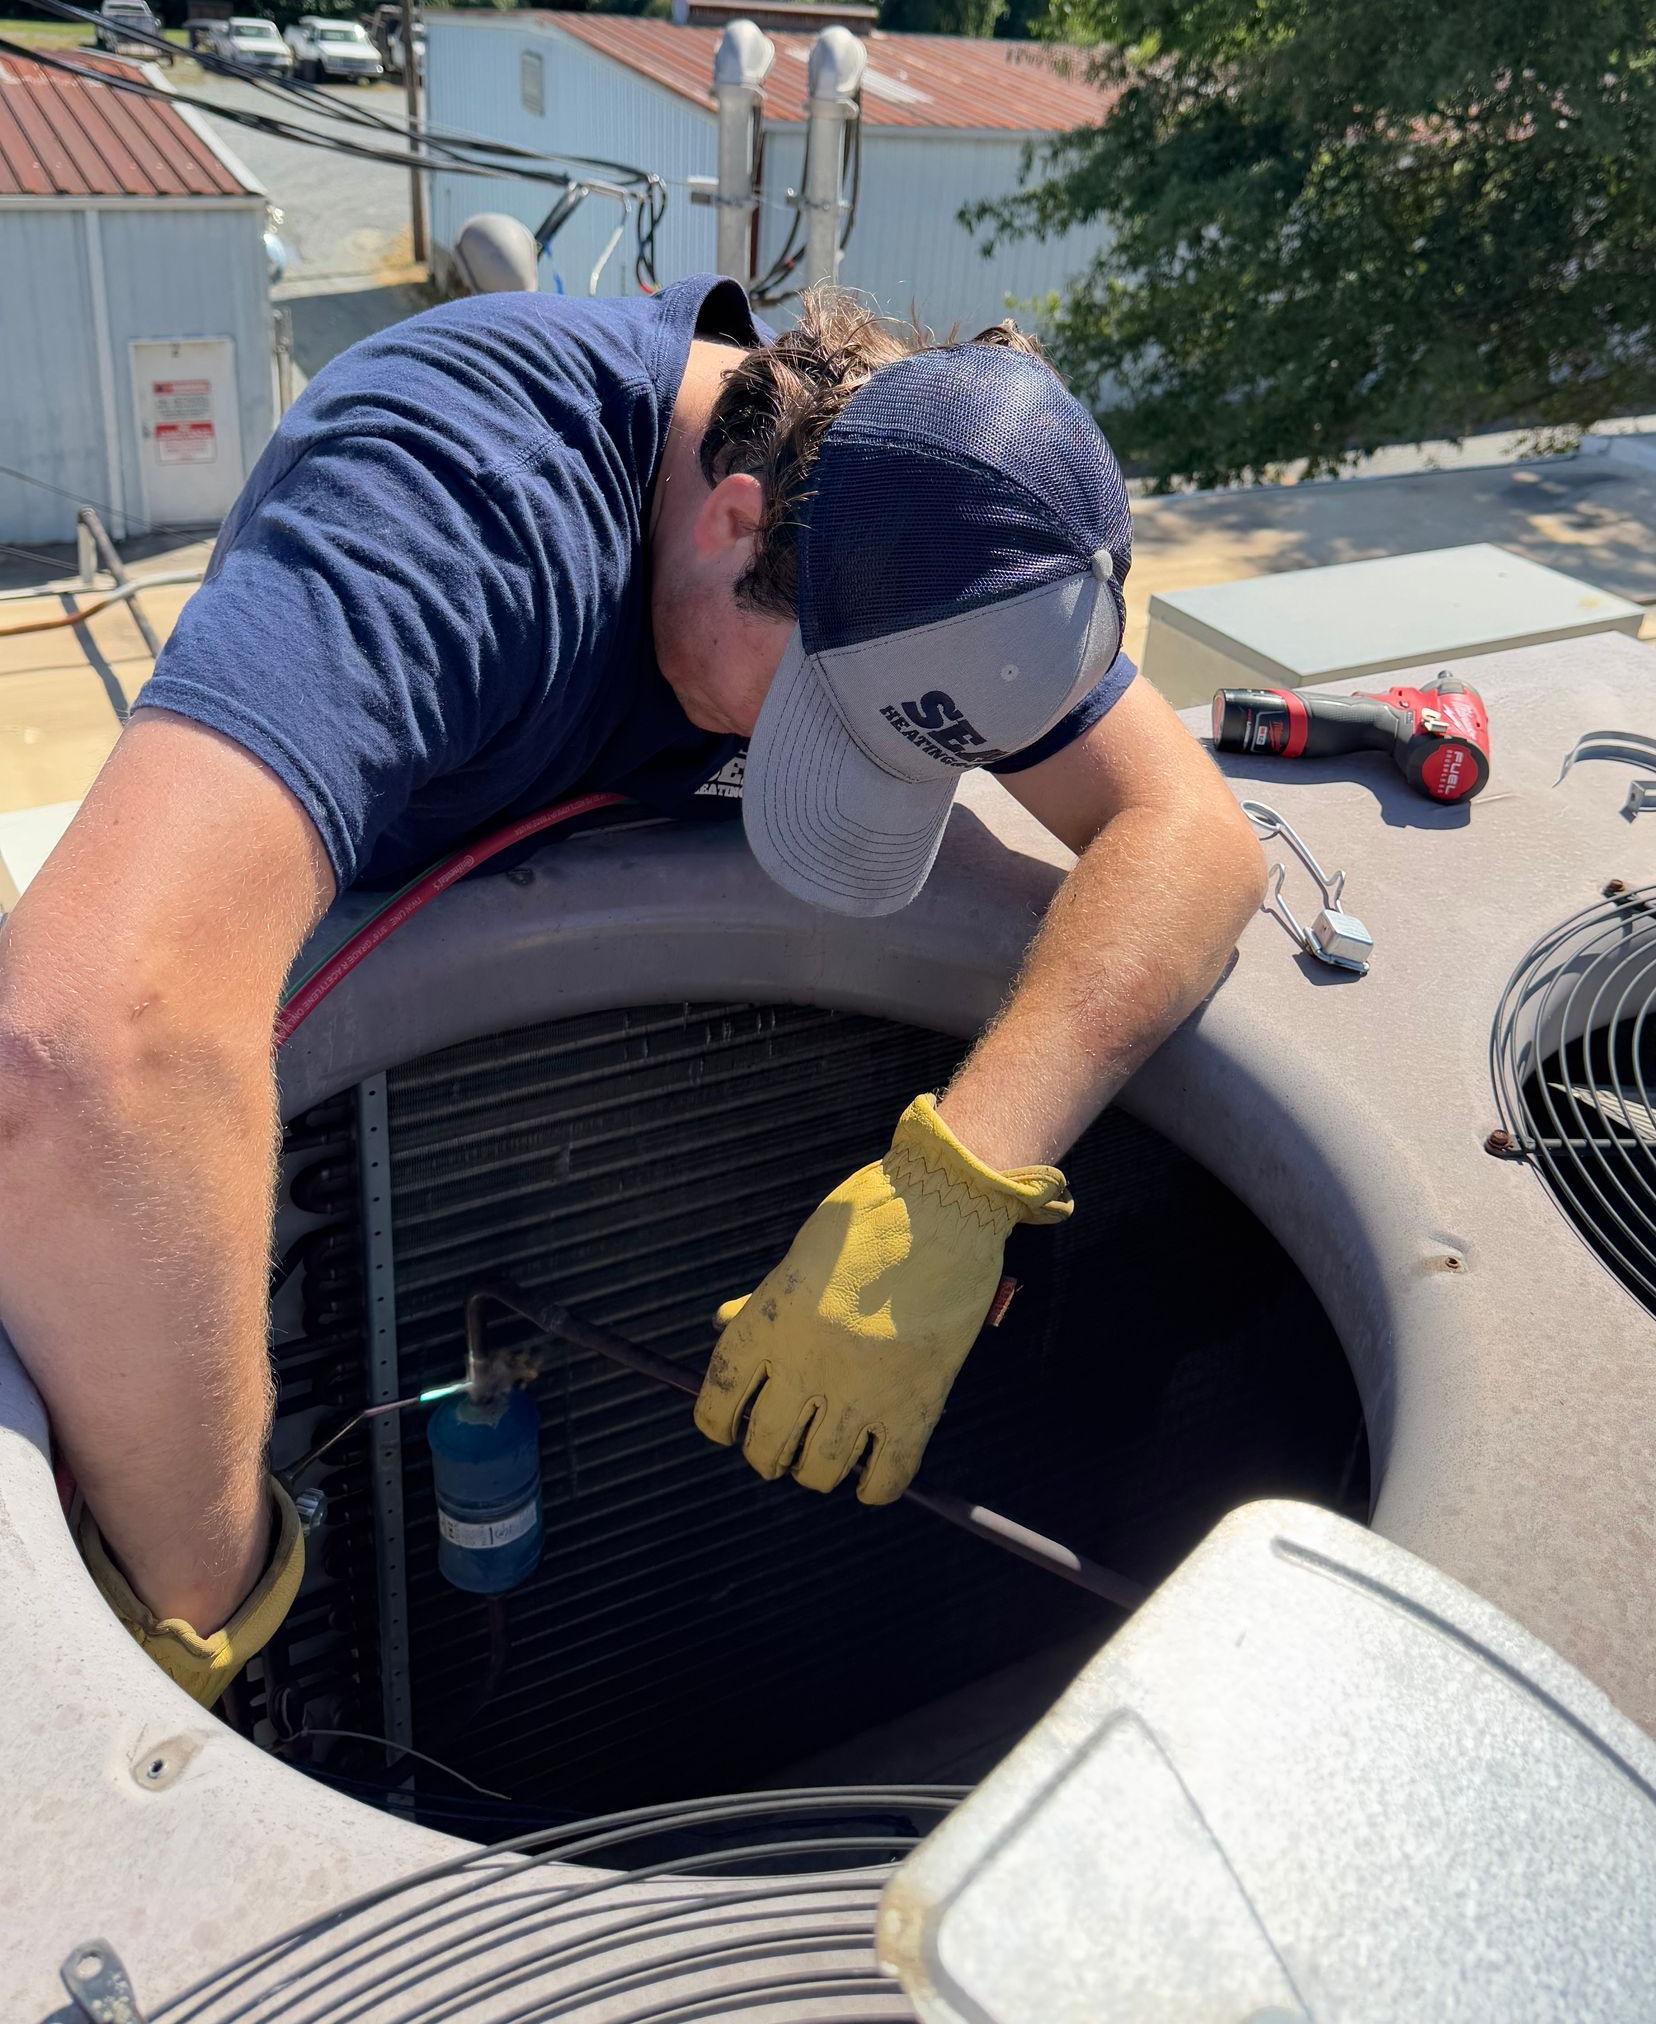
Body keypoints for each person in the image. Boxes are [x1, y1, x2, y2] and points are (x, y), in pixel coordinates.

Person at [0, 274, 1266, 1704]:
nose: (848, 778)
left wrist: (965, 1179)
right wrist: (207, 1602)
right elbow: (84, 1047)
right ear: (733, 519)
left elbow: (1195, 836)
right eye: (817, 729)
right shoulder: (452, 507)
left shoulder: (942, 528)